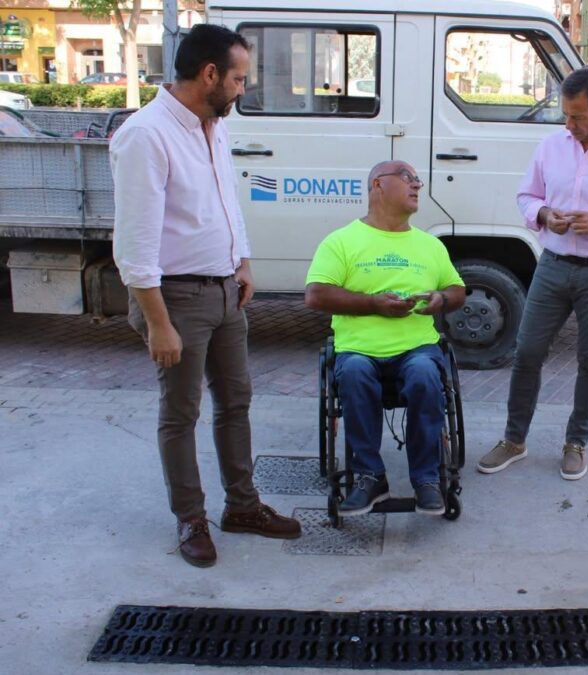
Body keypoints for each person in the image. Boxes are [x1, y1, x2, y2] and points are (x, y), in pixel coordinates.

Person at [111, 24, 301, 568]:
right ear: (210, 74)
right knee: (181, 413)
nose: (244, 88)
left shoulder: (210, 126)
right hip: (175, 299)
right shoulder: (147, 135)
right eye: (239, 78)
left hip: (223, 292)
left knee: (235, 402)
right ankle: (191, 517)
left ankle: (242, 507)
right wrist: (159, 322)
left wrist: (240, 261)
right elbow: (136, 244)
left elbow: (225, 203)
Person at [477, 67, 588, 481]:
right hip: (553, 266)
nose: (570, 124)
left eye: (578, 117)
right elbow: (526, 196)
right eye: (566, 114)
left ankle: (577, 442)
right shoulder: (551, 147)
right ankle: (514, 439)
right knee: (526, 353)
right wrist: (544, 215)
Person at [304, 161, 466, 516]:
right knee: (356, 373)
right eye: (408, 178)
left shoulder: (429, 245)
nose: (417, 186)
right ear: (378, 183)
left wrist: (443, 299)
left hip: (416, 348)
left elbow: (457, 289)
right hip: (358, 348)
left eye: (418, 181)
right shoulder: (342, 241)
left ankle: (426, 479)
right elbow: (315, 295)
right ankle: (368, 476)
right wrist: (373, 304)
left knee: (426, 374)